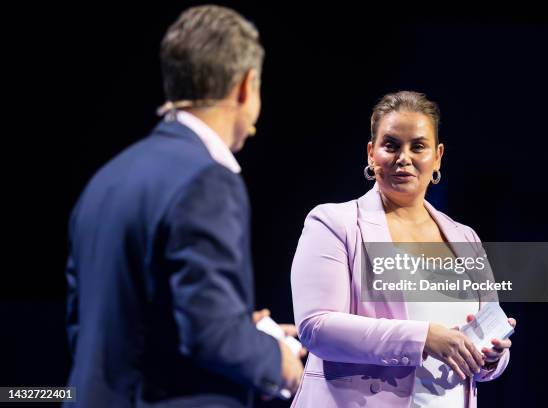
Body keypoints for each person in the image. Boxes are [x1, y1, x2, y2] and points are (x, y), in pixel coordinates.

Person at [64, 5, 303, 407]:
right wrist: (278, 359)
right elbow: (209, 334)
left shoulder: (105, 179)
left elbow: (94, 325)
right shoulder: (208, 180)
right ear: (245, 87)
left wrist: (239, 328)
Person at [290, 91, 516, 407]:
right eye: (391, 145)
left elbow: (482, 357)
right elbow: (317, 328)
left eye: (418, 146)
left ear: (437, 156)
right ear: (371, 153)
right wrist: (423, 337)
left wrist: (490, 356)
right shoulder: (334, 223)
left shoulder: (465, 238)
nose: (404, 158)